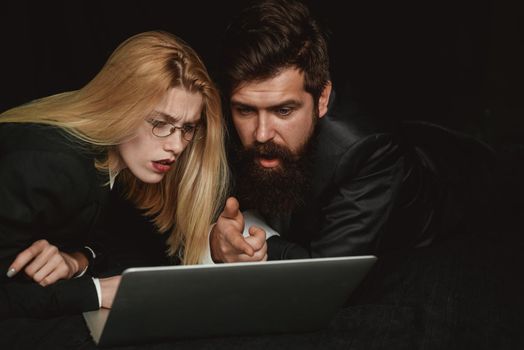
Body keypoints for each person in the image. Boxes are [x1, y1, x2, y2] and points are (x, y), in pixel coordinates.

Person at [208, 0, 493, 262]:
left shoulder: (371, 152)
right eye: (245, 110)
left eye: (283, 111)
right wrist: (212, 237)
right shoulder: (229, 124)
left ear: (321, 99)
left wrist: (250, 241)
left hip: (464, 182)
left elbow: (323, 274)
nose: (261, 134)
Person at [0, 31, 229, 318]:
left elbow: (103, 238)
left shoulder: (107, 162)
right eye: (160, 122)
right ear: (119, 106)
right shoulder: (52, 166)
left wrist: (76, 261)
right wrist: (98, 291)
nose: (176, 145)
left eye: (187, 128)